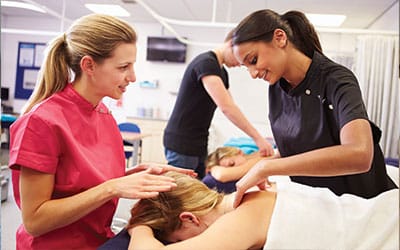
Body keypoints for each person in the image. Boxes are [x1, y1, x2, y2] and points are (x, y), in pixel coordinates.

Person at [8, 14, 194, 250]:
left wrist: (135, 175)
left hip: (97, 240)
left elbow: (76, 182)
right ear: (89, 65)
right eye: (124, 67)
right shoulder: (42, 122)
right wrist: (112, 188)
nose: (133, 77)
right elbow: (35, 220)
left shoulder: (102, 113)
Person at [228, 9, 397, 206]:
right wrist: (262, 166)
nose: (253, 74)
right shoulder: (277, 88)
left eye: (253, 60)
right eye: (246, 67)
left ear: (280, 38)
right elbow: (302, 147)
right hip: (319, 202)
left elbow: (360, 155)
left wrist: (267, 168)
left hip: (360, 203)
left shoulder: (336, 79)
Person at [126, 171, 398, 250]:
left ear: (188, 218)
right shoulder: (254, 194)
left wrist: (138, 227)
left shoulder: (240, 218)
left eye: (177, 241)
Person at [163, 30, 274, 179]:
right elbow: (227, 108)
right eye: (239, 57)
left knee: (197, 191)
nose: (240, 63)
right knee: (180, 194)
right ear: (230, 44)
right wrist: (258, 138)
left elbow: (231, 105)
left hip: (199, 142)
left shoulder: (221, 72)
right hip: (182, 142)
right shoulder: (206, 63)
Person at [202, 146, 268, 193]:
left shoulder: (263, 159)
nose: (232, 171)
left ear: (240, 152)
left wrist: (213, 168)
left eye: (232, 164)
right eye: (226, 169)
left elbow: (222, 175)